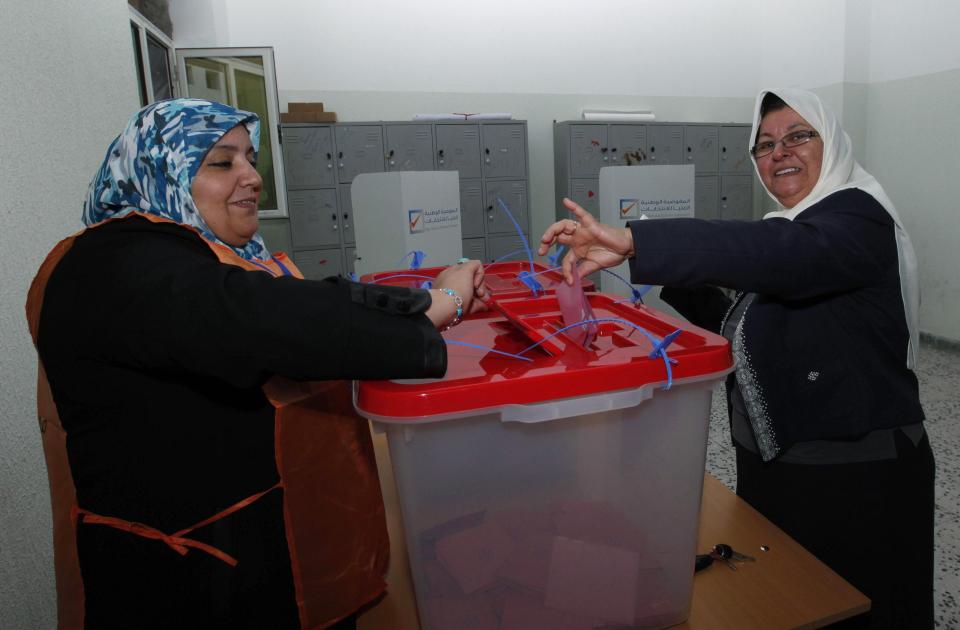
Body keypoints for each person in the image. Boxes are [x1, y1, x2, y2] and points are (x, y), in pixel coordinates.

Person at [25, 98, 487, 629]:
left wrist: (419, 301)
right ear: (160, 167)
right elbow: (271, 318)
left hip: (243, 550)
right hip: (177, 581)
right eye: (222, 162)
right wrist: (437, 306)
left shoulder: (187, 255)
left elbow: (301, 298)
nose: (252, 177)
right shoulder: (118, 263)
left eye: (250, 158)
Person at [539, 88, 933, 629]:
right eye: (765, 144)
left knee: (849, 605)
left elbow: (781, 259)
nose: (780, 153)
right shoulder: (796, 229)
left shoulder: (856, 218)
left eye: (799, 136)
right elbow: (743, 320)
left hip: (854, 475)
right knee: (785, 601)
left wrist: (637, 241)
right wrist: (649, 265)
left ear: (833, 144)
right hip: (784, 465)